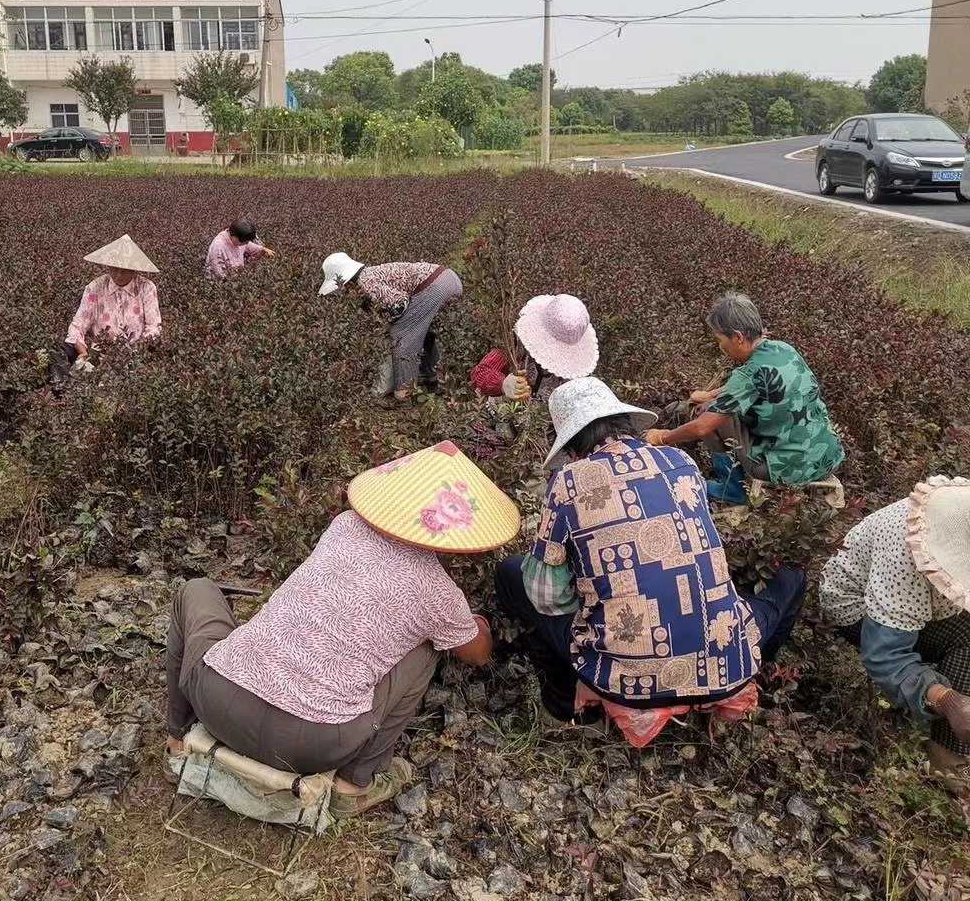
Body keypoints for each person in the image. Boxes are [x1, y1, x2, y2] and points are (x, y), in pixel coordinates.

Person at [165, 441, 520, 813]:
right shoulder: (440, 594)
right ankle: (353, 786)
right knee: (427, 650)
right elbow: (478, 654)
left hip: (217, 702)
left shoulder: (345, 526)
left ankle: (178, 739)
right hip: (310, 747)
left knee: (195, 590)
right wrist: (472, 623)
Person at [496, 377, 806, 744]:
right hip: (727, 663)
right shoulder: (681, 461)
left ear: (569, 442)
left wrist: (592, 595)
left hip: (624, 681)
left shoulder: (568, 482)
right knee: (791, 580)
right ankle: (746, 672)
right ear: (625, 421)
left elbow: (547, 597)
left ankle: (562, 702)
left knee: (512, 573)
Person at [819, 477, 970, 790]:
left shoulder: (959, 512)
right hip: (860, 612)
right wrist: (948, 700)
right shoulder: (906, 556)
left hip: (916, 603)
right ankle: (947, 759)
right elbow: (886, 656)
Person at [645, 292, 843, 504]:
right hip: (828, 456)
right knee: (715, 405)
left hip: (789, 469)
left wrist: (662, 437)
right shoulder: (784, 349)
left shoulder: (747, 374)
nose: (720, 348)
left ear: (738, 337)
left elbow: (702, 427)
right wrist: (712, 393)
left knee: (708, 413)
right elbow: (759, 384)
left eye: (720, 340)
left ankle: (731, 490)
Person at [319, 252, 463, 403]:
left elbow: (399, 304)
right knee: (423, 332)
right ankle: (430, 375)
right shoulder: (370, 275)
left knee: (401, 335)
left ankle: (406, 390)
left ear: (346, 281)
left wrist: (386, 326)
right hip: (449, 279)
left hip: (437, 287)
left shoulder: (366, 282)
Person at [59, 235, 161, 382]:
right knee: (61, 358)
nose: (118, 275)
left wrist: (137, 352)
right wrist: (83, 352)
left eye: (124, 270)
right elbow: (78, 324)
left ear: (134, 269)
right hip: (98, 354)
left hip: (134, 355)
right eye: (114, 269)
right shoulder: (95, 287)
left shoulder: (147, 288)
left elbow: (154, 328)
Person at [470, 293, 598, 404]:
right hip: (500, 419)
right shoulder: (516, 343)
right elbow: (481, 372)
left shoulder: (574, 372)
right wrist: (502, 383)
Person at [206, 218, 275, 279]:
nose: (245, 243)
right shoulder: (218, 247)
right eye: (243, 241)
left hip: (237, 275)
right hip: (221, 282)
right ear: (233, 235)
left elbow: (248, 245)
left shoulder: (239, 239)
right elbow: (218, 272)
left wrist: (263, 249)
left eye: (246, 241)